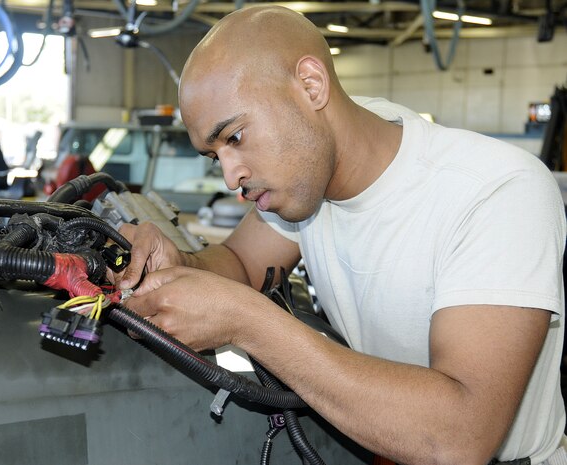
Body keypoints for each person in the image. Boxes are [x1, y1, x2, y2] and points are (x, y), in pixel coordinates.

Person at [113, 6, 567, 465]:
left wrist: (246, 321)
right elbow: (241, 264)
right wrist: (179, 265)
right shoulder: (316, 164)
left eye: (234, 137)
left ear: (311, 85)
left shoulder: (496, 191)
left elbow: (458, 439)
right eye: (215, 156)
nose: (231, 177)